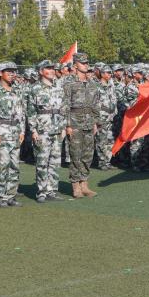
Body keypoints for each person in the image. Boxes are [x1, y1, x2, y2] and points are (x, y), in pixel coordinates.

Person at [0, 62, 26, 208]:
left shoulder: (17, 90)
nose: (12, 74)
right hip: (1, 132)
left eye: (13, 71)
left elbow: (22, 113)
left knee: (14, 166)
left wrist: (22, 130)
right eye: (8, 71)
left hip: (15, 132)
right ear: (0, 73)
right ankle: (2, 197)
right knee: (1, 166)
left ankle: (11, 195)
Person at [26, 60, 66, 203]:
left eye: (52, 68)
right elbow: (31, 112)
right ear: (41, 71)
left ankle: (52, 190)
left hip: (57, 130)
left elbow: (63, 109)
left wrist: (63, 127)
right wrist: (33, 130)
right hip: (42, 131)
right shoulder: (34, 89)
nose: (52, 71)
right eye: (48, 68)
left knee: (55, 162)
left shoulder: (58, 88)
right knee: (42, 162)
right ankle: (42, 192)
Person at [62, 52, 99, 198]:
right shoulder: (69, 82)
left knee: (87, 155)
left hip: (89, 122)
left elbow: (95, 104)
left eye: (87, 63)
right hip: (75, 123)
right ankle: (75, 185)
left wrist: (96, 122)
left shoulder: (92, 83)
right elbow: (65, 105)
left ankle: (84, 184)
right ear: (75, 65)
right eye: (83, 63)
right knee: (75, 154)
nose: (86, 65)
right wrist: (67, 125)